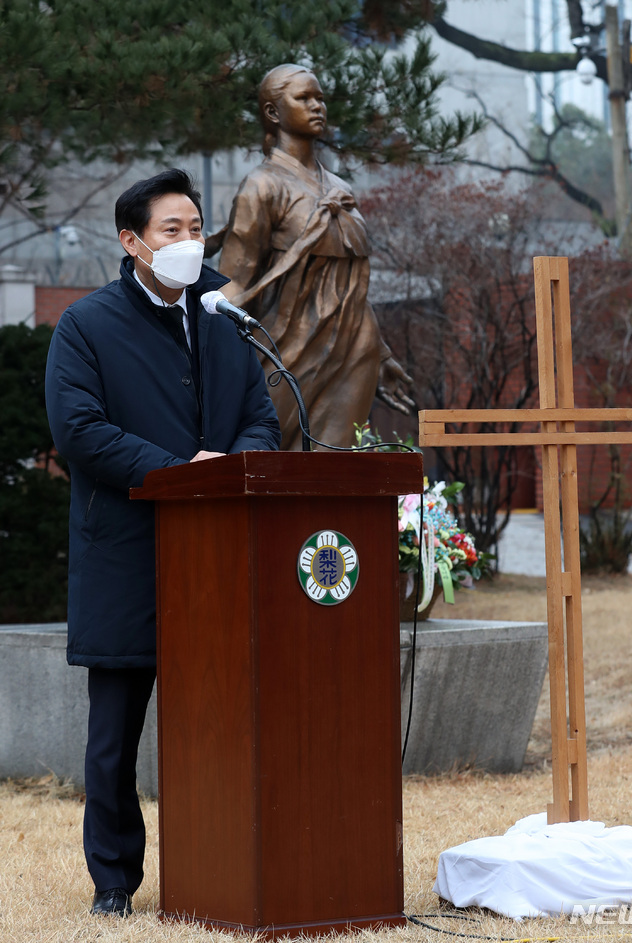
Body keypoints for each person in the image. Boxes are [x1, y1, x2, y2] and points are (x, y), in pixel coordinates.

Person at [45, 169, 281, 917]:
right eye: (172, 230)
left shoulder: (221, 320)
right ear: (132, 241)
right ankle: (113, 882)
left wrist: (229, 465)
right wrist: (182, 473)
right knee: (114, 738)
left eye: (195, 228)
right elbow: (80, 434)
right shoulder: (86, 326)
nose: (189, 242)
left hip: (219, 563)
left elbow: (261, 422)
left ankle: (221, 866)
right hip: (128, 557)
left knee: (223, 724)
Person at [205, 63, 413, 450]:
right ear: (272, 112)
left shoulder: (340, 188)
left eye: (320, 98)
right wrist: (208, 356)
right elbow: (234, 283)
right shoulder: (261, 185)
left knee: (334, 464)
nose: (318, 106)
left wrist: (381, 353)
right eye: (304, 98)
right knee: (275, 459)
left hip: (356, 344)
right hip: (289, 346)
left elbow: (350, 285)